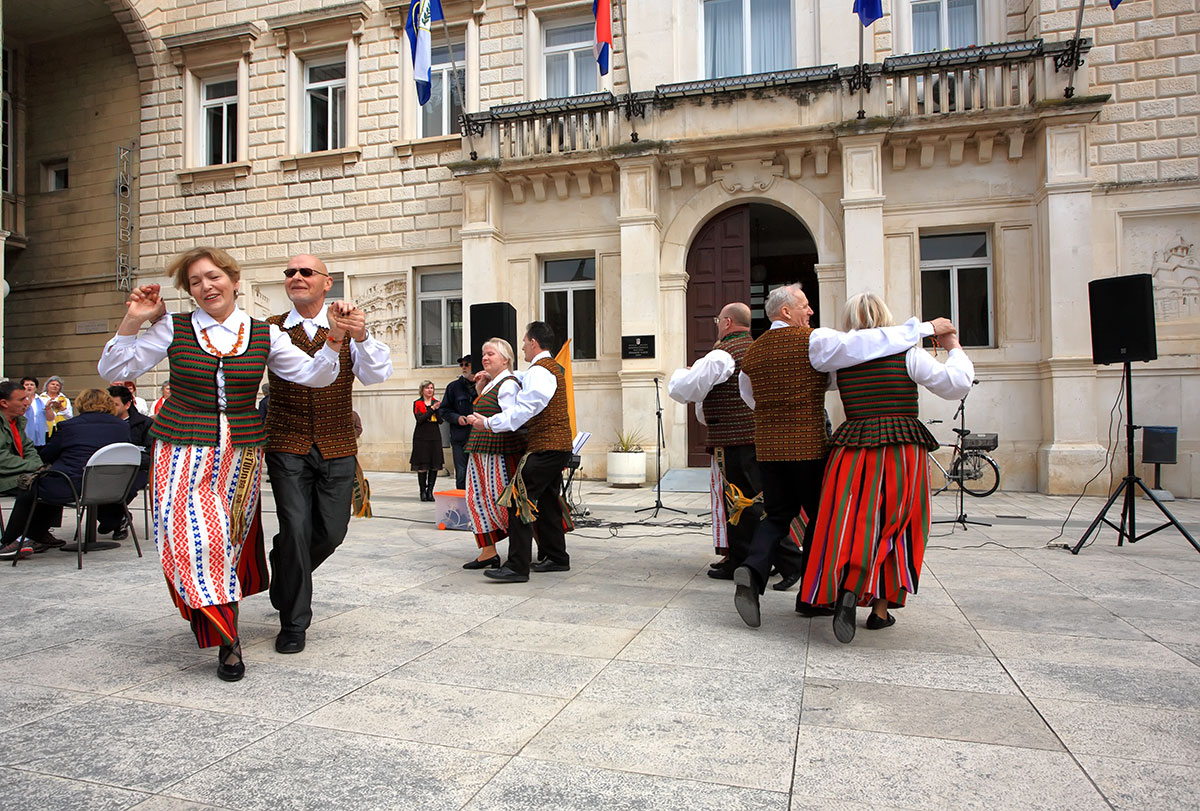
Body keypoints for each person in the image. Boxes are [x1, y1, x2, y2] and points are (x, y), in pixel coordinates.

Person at [97, 246, 344, 682]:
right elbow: (114, 367)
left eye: (213, 277)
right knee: (199, 540)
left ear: (233, 280)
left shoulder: (263, 333)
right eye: (195, 282)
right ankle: (228, 642)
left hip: (241, 453)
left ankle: (221, 620)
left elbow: (315, 374)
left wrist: (336, 340)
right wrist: (133, 320)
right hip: (181, 448)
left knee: (228, 541)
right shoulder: (173, 327)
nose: (206, 287)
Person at [732, 283, 957, 628]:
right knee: (823, 521)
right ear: (786, 312)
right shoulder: (815, 340)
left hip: (768, 448)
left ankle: (752, 569)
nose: (811, 311)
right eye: (805, 305)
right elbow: (867, 342)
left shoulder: (754, 352)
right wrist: (925, 328)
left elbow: (750, 398)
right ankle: (812, 598)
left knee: (776, 515)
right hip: (807, 447)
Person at [802, 293, 974, 643]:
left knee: (849, 522)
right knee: (900, 525)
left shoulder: (840, 358)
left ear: (850, 320)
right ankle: (879, 610)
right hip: (901, 447)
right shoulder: (909, 353)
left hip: (852, 448)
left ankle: (846, 589)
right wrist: (952, 347)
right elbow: (956, 385)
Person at [264, 252, 392, 655]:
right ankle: (294, 622)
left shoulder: (349, 326)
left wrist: (362, 337)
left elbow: (376, 375)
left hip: (337, 444)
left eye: (306, 272)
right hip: (287, 443)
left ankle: (285, 565)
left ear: (327, 282)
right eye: (290, 272)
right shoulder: (271, 329)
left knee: (332, 532)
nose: (296, 277)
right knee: (296, 526)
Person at [667, 302, 802, 587]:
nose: (717, 325)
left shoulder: (722, 356)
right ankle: (741, 559)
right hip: (755, 437)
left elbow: (683, 390)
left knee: (748, 504)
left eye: (718, 321)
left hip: (736, 442)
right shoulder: (756, 348)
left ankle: (791, 563)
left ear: (727, 322)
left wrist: (685, 372)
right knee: (742, 504)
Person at [467, 321, 573, 583]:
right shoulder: (544, 369)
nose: (523, 347)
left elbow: (524, 409)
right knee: (547, 503)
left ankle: (517, 566)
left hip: (546, 447)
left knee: (518, 499)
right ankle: (556, 557)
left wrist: (488, 423)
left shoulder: (540, 371)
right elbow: (517, 379)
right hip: (555, 447)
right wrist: (491, 378)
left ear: (533, 342)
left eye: (525, 342)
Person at [0, 388, 130, 559]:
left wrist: (37, 465)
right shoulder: (123, 427)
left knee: (37, 485)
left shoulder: (69, 426)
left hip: (73, 486)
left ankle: (14, 541)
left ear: (81, 404)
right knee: (49, 479)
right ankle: (38, 535)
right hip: (113, 487)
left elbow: (48, 454)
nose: (26, 402)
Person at [461, 338, 525, 569]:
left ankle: (527, 550)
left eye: (491, 354)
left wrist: (485, 422)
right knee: (476, 499)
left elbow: (511, 418)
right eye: (484, 354)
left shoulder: (508, 384)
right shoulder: (492, 383)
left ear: (505, 359)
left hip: (499, 451)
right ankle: (488, 552)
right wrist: (480, 390)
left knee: (502, 501)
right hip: (481, 449)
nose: (485, 358)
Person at [97, 384, 153, 540]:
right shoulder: (103, 422)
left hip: (137, 469)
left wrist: (130, 457)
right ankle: (119, 519)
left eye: (115, 405)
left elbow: (151, 454)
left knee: (123, 489)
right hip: (109, 468)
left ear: (127, 404)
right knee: (95, 486)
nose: (111, 408)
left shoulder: (145, 423)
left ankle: (113, 520)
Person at [0, 381, 48, 561]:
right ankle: (10, 542)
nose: (27, 403)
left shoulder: (17, 421)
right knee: (30, 488)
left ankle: (37, 534)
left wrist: (38, 467)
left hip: (17, 472)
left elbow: (29, 448)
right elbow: (1, 457)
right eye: (21, 399)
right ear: (4, 403)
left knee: (52, 483)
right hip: (4, 474)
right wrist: (33, 467)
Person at [441, 355, 477, 490]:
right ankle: (462, 499)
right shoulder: (453, 387)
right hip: (460, 438)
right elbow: (444, 410)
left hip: (479, 438)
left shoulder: (485, 385)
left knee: (479, 474)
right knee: (461, 474)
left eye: (467, 364)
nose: (464, 367)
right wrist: (457, 418)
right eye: (462, 365)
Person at [411, 380, 443, 501]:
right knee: (422, 464)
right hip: (421, 436)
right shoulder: (417, 403)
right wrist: (431, 409)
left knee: (434, 465)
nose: (430, 390)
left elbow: (440, 420)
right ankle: (422, 491)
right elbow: (420, 419)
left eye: (431, 388)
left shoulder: (436, 403)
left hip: (434, 436)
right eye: (427, 388)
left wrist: (437, 409)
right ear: (422, 390)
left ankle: (430, 491)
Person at [20, 377, 49, 447]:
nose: (29, 386)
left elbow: (50, 418)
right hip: (24, 432)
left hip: (40, 432)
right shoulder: (19, 400)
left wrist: (49, 408)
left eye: (32, 385)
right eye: (26, 385)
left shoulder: (43, 400)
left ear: (36, 387)